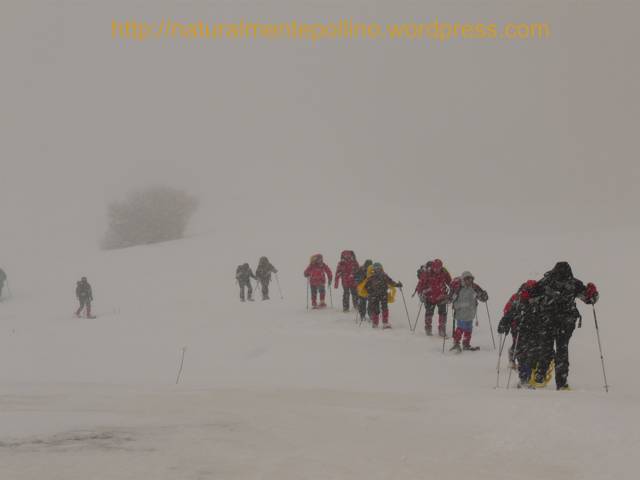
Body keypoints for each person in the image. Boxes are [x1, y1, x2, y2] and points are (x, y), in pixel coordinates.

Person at [528, 262, 599, 390]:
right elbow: (589, 299)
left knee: (546, 349)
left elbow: (531, 297)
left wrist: (533, 295)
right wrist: (592, 293)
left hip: (547, 321)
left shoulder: (546, 281)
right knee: (562, 350)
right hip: (565, 322)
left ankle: (540, 378)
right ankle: (561, 383)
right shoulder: (573, 283)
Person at [448, 271, 488, 352]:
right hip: (460, 312)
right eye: (467, 279)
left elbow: (481, 297)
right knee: (461, 328)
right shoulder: (458, 288)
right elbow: (451, 298)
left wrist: (484, 296)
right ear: (463, 279)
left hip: (471, 313)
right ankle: (456, 343)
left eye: (470, 279)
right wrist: (448, 300)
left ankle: (465, 344)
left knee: (468, 329)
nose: (469, 281)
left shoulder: (474, 287)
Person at [414, 259, 452, 336]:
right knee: (429, 314)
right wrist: (420, 294)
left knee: (442, 314)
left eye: (439, 268)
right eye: (435, 268)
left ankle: (442, 329)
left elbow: (450, 282)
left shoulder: (444, 272)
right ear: (433, 267)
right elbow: (420, 284)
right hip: (429, 297)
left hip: (442, 296)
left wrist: (451, 293)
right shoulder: (427, 273)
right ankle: (428, 329)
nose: (437, 270)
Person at [358, 262, 402, 329]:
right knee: (384, 308)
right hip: (383, 294)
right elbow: (390, 282)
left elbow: (366, 287)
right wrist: (397, 285)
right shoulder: (384, 275)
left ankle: (375, 323)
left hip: (374, 296)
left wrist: (369, 292)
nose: (378, 270)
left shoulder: (371, 277)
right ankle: (385, 323)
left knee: (376, 310)